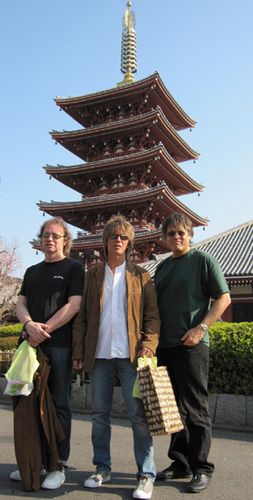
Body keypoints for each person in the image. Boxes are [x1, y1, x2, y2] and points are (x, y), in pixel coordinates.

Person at [72, 215, 160, 500]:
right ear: (105, 241)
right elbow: (83, 317)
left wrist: (149, 343)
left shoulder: (141, 275)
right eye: (113, 236)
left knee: (138, 416)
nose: (118, 240)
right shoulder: (93, 275)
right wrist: (79, 352)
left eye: (123, 237)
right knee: (99, 415)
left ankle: (146, 474)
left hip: (132, 355)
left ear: (130, 242)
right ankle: (102, 467)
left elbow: (152, 316)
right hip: (100, 355)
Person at [154, 213, 231, 493]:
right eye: (171, 233)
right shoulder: (161, 269)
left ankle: (201, 467)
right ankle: (180, 462)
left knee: (196, 406)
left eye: (182, 233)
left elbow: (224, 298)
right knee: (172, 409)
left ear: (190, 235)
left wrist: (200, 328)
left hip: (192, 344)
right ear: (163, 238)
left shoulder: (202, 260)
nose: (177, 237)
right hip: (165, 346)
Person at [10, 217, 84, 490]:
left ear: (66, 240)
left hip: (58, 345)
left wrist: (45, 329)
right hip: (29, 345)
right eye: (46, 235)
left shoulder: (74, 268)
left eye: (56, 235)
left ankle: (58, 464)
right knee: (27, 403)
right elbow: (21, 303)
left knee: (58, 402)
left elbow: (74, 305)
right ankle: (34, 460)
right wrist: (29, 326)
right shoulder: (31, 271)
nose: (50, 239)